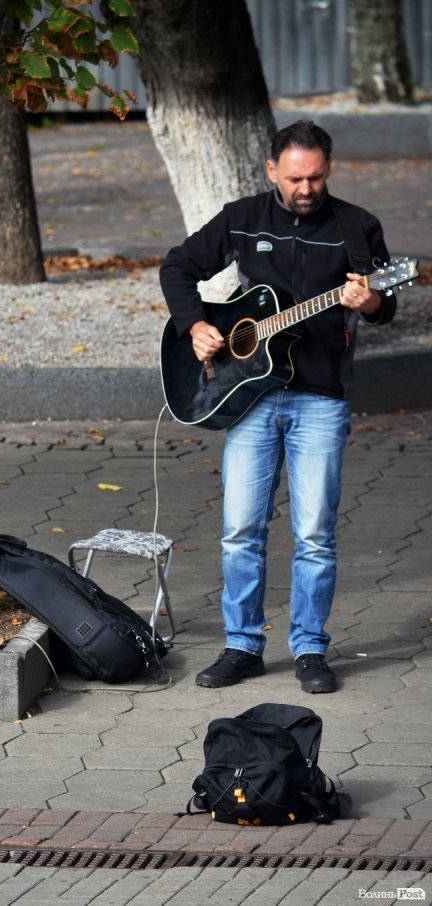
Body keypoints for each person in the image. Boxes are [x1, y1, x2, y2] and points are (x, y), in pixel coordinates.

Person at [159, 120, 396, 694]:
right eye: (294, 178)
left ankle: (310, 648)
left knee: (314, 532)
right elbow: (177, 266)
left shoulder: (357, 227)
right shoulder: (242, 218)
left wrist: (370, 302)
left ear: (328, 170)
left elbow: (384, 305)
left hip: (321, 398)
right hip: (250, 396)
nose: (306, 189)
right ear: (272, 170)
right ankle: (242, 645)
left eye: (315, 177)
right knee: (241, 528)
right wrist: (194, 326)